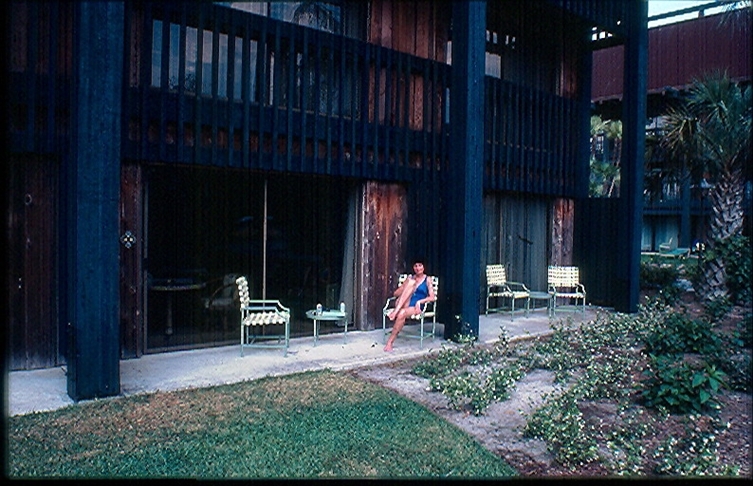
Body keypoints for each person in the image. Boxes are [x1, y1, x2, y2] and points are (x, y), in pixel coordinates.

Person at [384, 260, 435, 352]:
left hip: (416, 306)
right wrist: (406, 286)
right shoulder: (410, 279)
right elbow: (396, 294)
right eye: (415, 266)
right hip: (403, 302)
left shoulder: (427, 280)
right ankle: (396, 310)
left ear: (424, 267)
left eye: (420, 265)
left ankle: (390, 342)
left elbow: (432, 297)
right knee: (411, 283)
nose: (418, 268)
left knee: (402, 313)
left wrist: (419, 301)